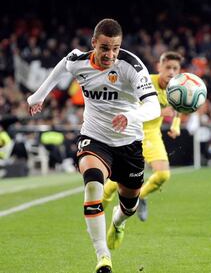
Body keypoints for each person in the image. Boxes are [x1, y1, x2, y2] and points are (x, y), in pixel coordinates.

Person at [27, 18, 160, 273]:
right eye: (105, 48)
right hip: (94, 137)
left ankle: (118, 223)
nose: (110, 54)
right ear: (94, 44)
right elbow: (61, 67)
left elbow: (153, 106)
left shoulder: (132, 66)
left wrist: (131, 116)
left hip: (128, 143)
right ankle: (103, 257)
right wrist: (38, 96)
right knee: (92, 184)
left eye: (115, 48)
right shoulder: (79, 61)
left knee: (129, 205)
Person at [102, 51, 183, 221]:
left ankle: (141, 197)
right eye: (168, 67)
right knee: (119, 180)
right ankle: (100, 206)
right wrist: (161, 113)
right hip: (132, 131)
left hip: (153, 135)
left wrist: (176, 126)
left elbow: (178, 109)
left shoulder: (176, 88)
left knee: (163, 175)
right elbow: (133, 109)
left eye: (175, 68)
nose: (171, 72)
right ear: (159, 67)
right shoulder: (146, 81)